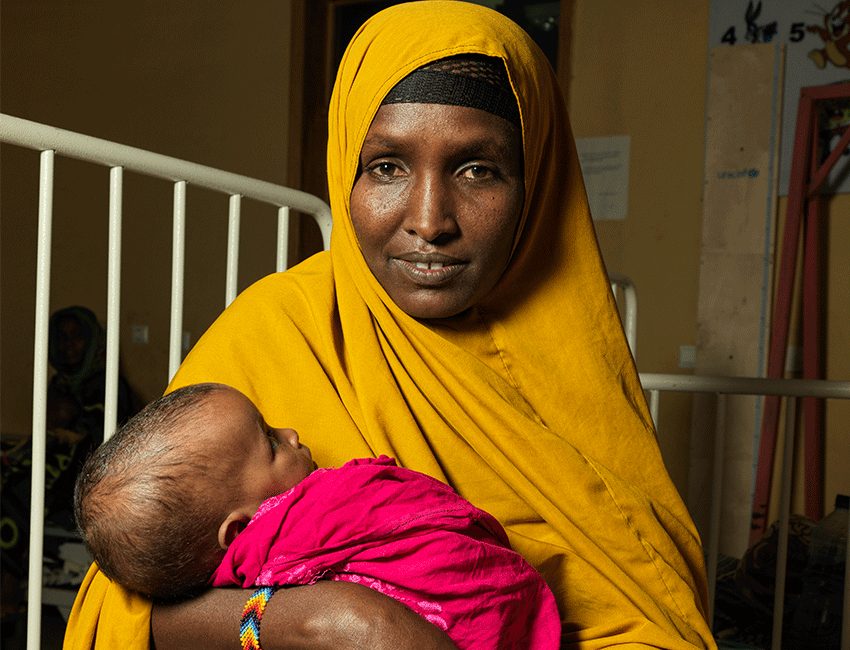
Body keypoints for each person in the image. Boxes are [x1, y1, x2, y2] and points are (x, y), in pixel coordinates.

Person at [65, 2, 716, 648]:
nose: (430, 220)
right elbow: (125, 598)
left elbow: (656, 621)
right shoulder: (278, 328)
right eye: (386, 167)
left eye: (478, 169)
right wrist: (326, 620)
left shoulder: (577, 366)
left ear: (537, 185)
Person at [74, 382, 561, 648]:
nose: (291, 433)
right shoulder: (317, 511)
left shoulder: (233, 570)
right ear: (239, 529)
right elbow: (395, 499)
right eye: (270, 442)